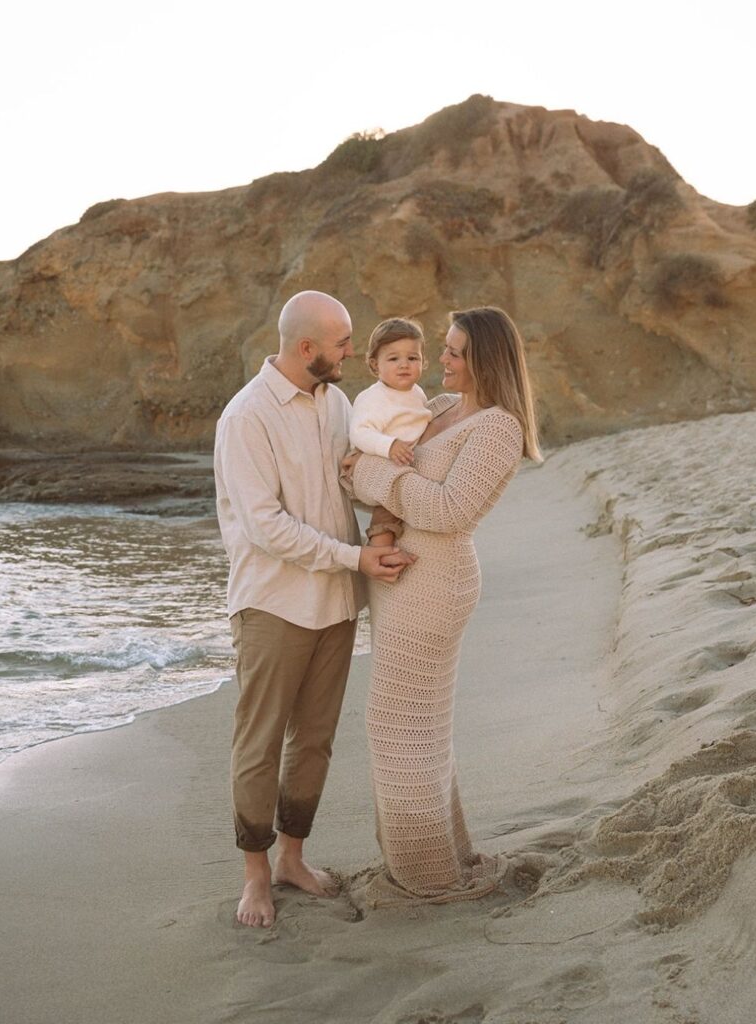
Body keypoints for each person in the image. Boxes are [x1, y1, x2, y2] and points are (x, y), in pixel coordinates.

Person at [213, 290, 415, 929]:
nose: (352, 354)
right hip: (272, 604)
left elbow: (346, 485)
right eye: (342, 343)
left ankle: (293, 859)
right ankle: (254, 877)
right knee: (260, 742)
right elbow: (267, 527)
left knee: (316, 741)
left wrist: (382, 511)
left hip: (334, 602)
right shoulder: (246, 418)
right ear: (306, 348)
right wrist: (355, 559)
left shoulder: (339, 404)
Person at [343, 305, 543, 905]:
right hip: (402, 578)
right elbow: (357, 472)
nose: (440, 360)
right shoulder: (435, 410)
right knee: (418, 727)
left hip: (435, 584)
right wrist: (371, 476)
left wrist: (376, 480)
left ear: (484, 357)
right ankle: (441, 857)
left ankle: (426, 878)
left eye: (454, 351)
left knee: (397, 728)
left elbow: (449, 512)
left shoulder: (499, 428)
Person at [349, 317, 433, 548]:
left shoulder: (418, 394)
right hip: (381, 468)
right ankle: (378, 552)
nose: (404, 364)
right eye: (394, 358)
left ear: (423, 362)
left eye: (412, 358)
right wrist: (389, 445)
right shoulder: (373, 398)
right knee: (386, 518)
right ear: (375, 365)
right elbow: (360, 432)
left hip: (406, 467)